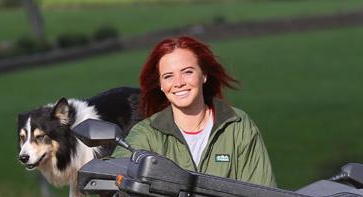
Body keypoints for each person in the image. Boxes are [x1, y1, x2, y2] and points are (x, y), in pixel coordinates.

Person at [117, 35, 276, 187]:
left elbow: (264, 195)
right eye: (168, 76)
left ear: (204, 75)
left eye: (187, 72)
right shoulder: (147, 134)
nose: (178, 82)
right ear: (161, 84)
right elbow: (111, 172)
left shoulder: (238, 126)